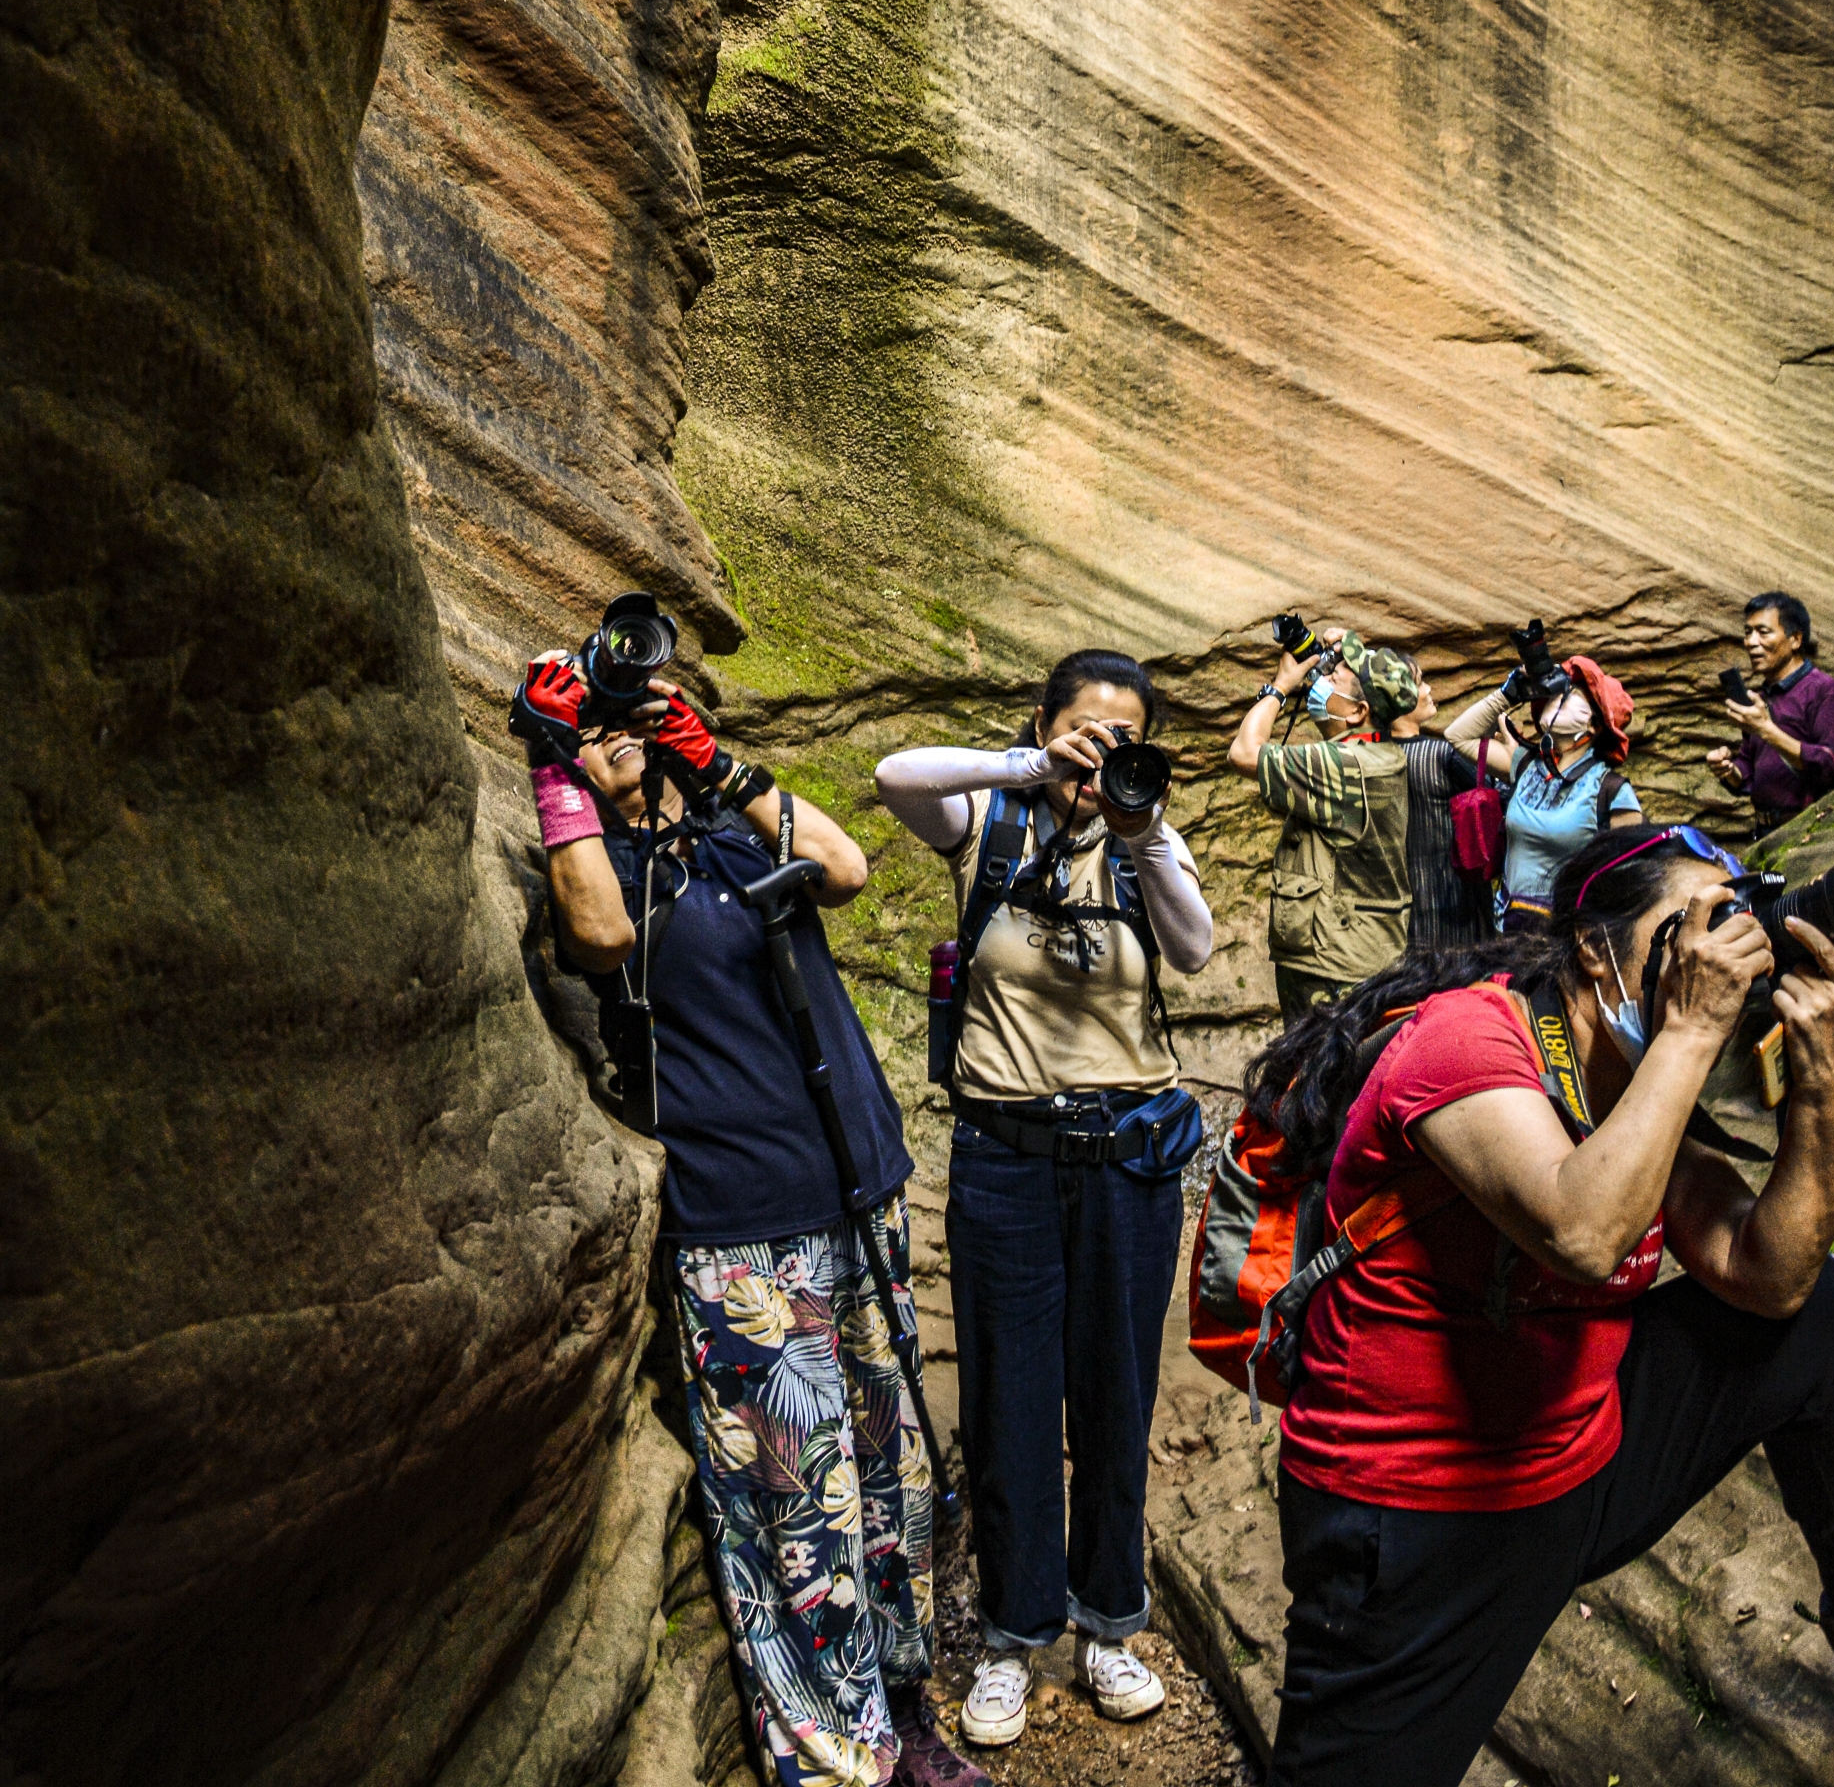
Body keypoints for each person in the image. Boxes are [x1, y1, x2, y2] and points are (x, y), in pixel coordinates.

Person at [1252, 821, 1834, 1787]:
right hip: (1420, 1518)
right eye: (1694, 932)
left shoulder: (1632, 1079)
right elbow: (1583, 1231)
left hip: (1584, 1462)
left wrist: (1826, 1098)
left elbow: (1770, 1275)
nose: (1720, 959)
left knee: (1813, 1323)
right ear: (1597, 948)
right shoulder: (1467, 1041)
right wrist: (1689, 1034)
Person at [528, 648, 986, 1787]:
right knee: (797, 1503)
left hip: (855, 1188)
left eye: (627, 718)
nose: (617, 731)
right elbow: (597, 939)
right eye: (598, 726)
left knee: (888, 1473)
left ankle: (899, 1702)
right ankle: (838, 1761)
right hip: (737, 1226)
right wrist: (556, 770)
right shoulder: (615, 875)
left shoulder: (731, 837)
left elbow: (843, 865)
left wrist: (709, 759)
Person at [875, 653, 1213, 1749]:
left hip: (1127, 1161)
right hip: (1003, 1156)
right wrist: (1025, 764)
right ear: (1045, 725)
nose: (1098, 757)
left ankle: (1108, 1623)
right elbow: (894, 774)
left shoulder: (1145, 843)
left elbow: (1196, 949)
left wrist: (1141, 826)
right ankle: (1013, 1635)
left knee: (1112, 1393)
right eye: (1083, 733)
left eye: (1123, 740)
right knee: (1010, 1398)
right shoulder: (993, 820)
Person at [1226, 627, 1412, 1024]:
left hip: (1336, 967)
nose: (1318, 680)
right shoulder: (1378, 753)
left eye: (1332, 678)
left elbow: (1243, 751)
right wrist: (1346, 648)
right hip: (1353, 952)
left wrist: (1280, 686)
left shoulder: (1346, 766)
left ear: (1359, 712)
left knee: (1323, 1078)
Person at [1446, 647, 1640, 932]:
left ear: (1595, 724)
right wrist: (1509, 692)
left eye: (1572, 694)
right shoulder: (1525, 766)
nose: (1558, 698)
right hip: (1507, 930)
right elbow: (1458, 735)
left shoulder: (1611, 791)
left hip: (1564, 940)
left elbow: (1629, 878)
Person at [1708, 589, 1834, 836]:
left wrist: (1766, 730)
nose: (1751, 642)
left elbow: (1833, 769)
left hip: (1810, 831)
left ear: (1795, 640)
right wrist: (1730, 771)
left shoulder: (1825, 692)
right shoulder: (1762, 697)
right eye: (1748, 632)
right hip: (1765, 831)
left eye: (1763, 632)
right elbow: (1749, 767)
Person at [1380, 655, 1494, 953]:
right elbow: (1499, 797)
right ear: (1399, 697)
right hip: (1455, 922)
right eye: (1419, 682)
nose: (1429, 689)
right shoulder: (1440, 757)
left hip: (1395, 928)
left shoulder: (1369, 759)